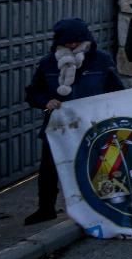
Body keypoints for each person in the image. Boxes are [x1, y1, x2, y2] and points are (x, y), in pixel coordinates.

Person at [24, 18, 125, 225]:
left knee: (100, 166)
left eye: (76, 41)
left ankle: (107, 205)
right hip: (58, 126)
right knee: (49, 168)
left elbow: (117, 91)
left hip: (94, 125)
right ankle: (46, 209)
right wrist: (46, 102)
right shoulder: (48, 63)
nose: (72, 45)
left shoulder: (101, 60)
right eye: (67, 42)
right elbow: (33, 93)